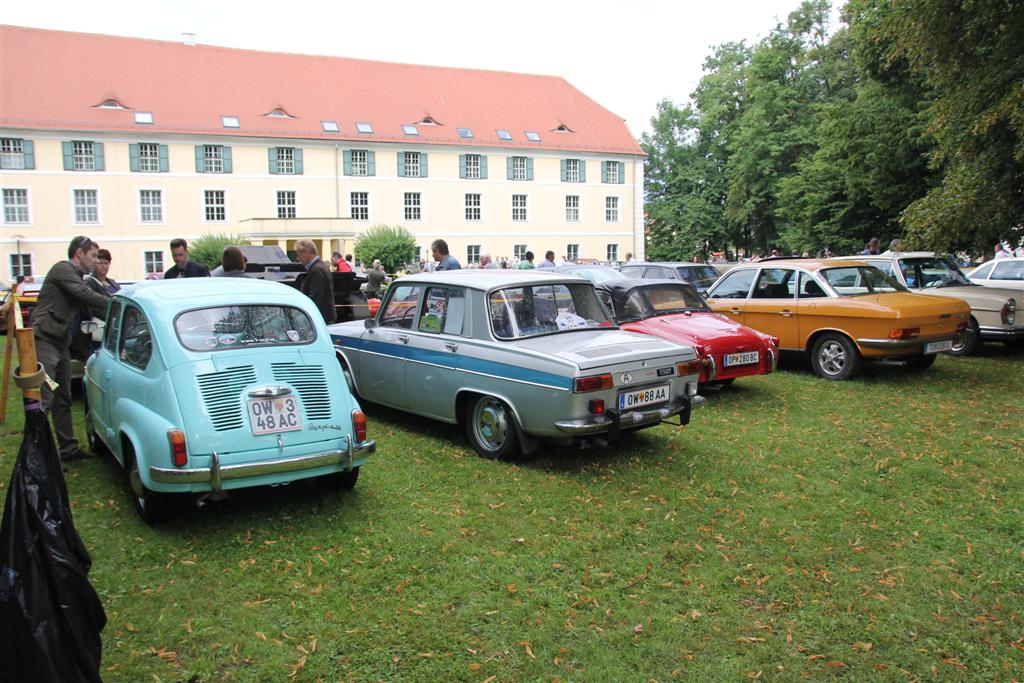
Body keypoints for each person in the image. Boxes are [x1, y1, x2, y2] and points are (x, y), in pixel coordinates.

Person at [32, 236, 111, 462]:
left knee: (63, 397)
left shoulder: (77, 276)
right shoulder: (63, 269)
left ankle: (68, 449)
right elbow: (85, 295)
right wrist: (116, 303)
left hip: (61, 343)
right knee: (44, 399)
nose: (96, 261)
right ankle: (36, 457)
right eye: (93, 256)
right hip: (44, 340)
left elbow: (90, 306)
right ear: (79, 253)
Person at [294, 239, 336, 324]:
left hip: (320, 318)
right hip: (324, 317)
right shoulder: (321, 266)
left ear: (306, 253)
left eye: (298, 255)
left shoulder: (316, 270)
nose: (298, 258)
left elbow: (315, 298)